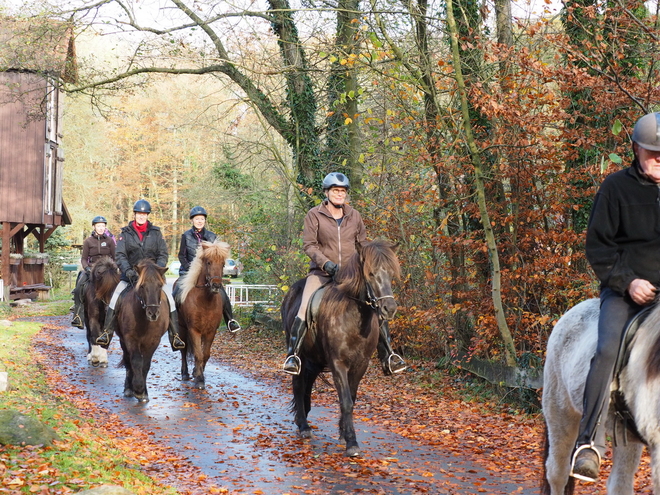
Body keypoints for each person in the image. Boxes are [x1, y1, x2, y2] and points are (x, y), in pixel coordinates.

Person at [571, 112, 660, 482]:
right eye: (653, 152)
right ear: (636, 149)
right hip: (627, 292)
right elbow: (599, 247)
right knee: (607, 348)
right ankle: (588, 444)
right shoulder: (614, 188)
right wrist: (628, 282)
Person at [282, 172, 406, 376]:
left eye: (342, 191)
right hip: (321, 273)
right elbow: (309, 245)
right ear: (327, 192)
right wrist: (327, 264)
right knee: (305, 306)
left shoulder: (354, 215)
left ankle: (389, 355)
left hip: (351, 274)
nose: (340, 194)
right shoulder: (314, 214)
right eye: (335, 191)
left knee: (376, 303)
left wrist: (371, 259)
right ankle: (293, 355)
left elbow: (363, 244)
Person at [95, 199, 185, 351]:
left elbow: (163, 253)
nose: (142, 216)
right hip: (131, 276)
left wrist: (158, 268)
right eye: (139, 214)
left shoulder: (156, 233)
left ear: (147, 215)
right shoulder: (125, 233)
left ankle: (175, 336)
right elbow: (120, 254)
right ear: (135, 215)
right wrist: (128, 270)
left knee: (169, 299)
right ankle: (106, 333)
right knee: (115, 297)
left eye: (144, 214)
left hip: (152, 278)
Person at [176, 206, 241, 332]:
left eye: (202, 219)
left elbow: (216, 257)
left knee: (222, 293)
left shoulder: (211, 236)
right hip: (188, 272)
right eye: (197, 219)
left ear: (205, 221)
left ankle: (230, 320)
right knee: (176, 291)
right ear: (192, 220)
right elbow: (181, 255)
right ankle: (174, 323)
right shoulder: (186, 236)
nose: (199, 221)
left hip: (207, 272)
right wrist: (189, 268)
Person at [71, 216, 116, 329]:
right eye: (98, 226)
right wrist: (86, 268)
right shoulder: (88, 241)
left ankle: (117, 315)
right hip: (91, 269)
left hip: (106, 270)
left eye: (103, 226)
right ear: (94, 227)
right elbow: (83, 259)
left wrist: (113, 267)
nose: (101, 228)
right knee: (79, 288)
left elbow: (115, 257)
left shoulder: (110, 241)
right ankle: (78, 316)